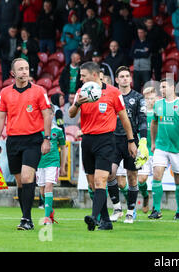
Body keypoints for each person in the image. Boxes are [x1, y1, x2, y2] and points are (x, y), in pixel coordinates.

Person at [69, 61, 137, 231]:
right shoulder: (81, 92)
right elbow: (71, 114)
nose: (81, 79)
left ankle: (93, 217)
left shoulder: (113, 93)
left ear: (94, 75)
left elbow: (124, 117)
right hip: (87, 140)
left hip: (106, 140)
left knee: (100, 180)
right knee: (93, 184)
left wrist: (131, 141)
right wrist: (77, 104)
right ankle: (106, 221)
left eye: (83, 76)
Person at [0, 58, 52, 230]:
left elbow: (47, 114)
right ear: (13, 73)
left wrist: (46, 138)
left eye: (26, 68)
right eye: (20, 69)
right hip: (13, 140)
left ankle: (26, 218)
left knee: (27, 177)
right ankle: (27, 218)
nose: (24, 72)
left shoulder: (39, 91)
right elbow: (0, 118)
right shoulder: (4, 93)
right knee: (20, 182)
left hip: (33, 139)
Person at [108, 66, 148, 224]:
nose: (125, 78)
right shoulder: (111, 97)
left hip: (131, 141)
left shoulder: (138, 98)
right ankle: (117, 208)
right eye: (121, 76)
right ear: (116, 80)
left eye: (127, 76)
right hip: (113, 140)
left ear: (130, 79)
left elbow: (143, 120)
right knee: (110, 174)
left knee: (132, 177)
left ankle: (130, 211)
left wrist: (143, 141)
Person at [149, 78, 179, 220]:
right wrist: (153, 143)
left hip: (177, 148)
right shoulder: (158, 104)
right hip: (161, 146)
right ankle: (156, 210)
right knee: (157, 175)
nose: (162, 90)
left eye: (164, 87)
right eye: (161, 87)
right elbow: (154, 123)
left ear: (173, 87)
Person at [36, 106, 67, 225]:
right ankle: (50, 211)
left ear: (53, 115)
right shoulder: (38, 130)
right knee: (43, 191)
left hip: (53, 162)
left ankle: (47, 218)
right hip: (39, 163)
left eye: (49, 114)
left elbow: (63, 148)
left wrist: (63, 166)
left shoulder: (58, 130)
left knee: (49, 186)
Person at [137, 86, 158, 213]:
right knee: (141, 180)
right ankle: (145, 196)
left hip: (157, 150)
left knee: (157, 179)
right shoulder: (141, 114)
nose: (151, 101)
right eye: (148, 98)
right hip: (144, 150)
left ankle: (156, 207)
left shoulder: (160, 112)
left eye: (152, 98)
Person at [145, 17, 170, 81]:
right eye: (148, 23)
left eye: (151, 23)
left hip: (156, 54)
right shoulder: (143, 31)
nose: (150, 24)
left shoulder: (157, 29)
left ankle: (158, 88)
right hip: (146, 55)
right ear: (145, 23)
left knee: (157, 73)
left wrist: (163, 47)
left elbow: (167, 38)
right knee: (147, 73)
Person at [130, 27, 152, 92]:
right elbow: (131, 54)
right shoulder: (135, 43)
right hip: (136, 69)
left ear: (145, 33)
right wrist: (142, 53)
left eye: (141, 32)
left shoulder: (149, 43)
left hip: (146, 69)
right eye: (138, 33)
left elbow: (146, 55)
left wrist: (137, 53)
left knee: (147, 89)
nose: (140, 34)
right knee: (136, 88)